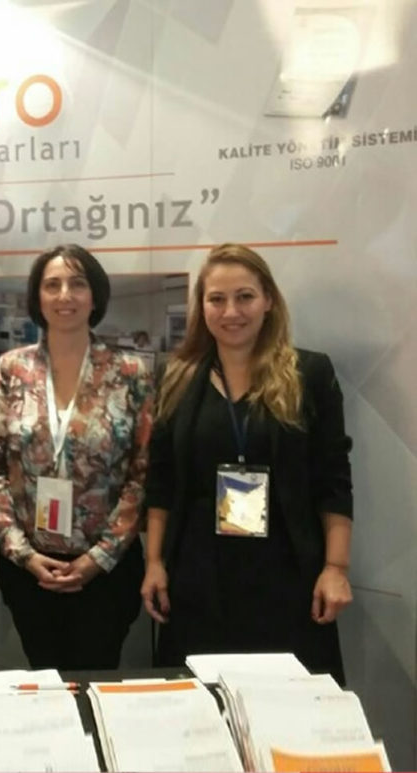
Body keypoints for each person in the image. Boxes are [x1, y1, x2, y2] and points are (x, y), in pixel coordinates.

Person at [140, 243, 353, 683]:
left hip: (286, 574)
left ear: (268, 300)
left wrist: (335, 569)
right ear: (202, 306)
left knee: (287, 705)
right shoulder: (177, 377)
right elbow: (161, 482)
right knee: (200, 703)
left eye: (245, 297)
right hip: (196, 576)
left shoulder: (309, 374)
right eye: (217, 299)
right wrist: (155, 562)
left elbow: (333, 480)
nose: (231, 311)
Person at [0, 244, 153, 670]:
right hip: (29, 567)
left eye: (78, 284)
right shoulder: (12, 369)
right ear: (37, 298)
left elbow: (142, 472)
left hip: (105, 571)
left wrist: (99, 558)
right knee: (44, 678)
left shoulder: (130, 373)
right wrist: (22, 552)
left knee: (97, 677)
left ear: (95, 297)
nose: (65, 295)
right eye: (52, 285)